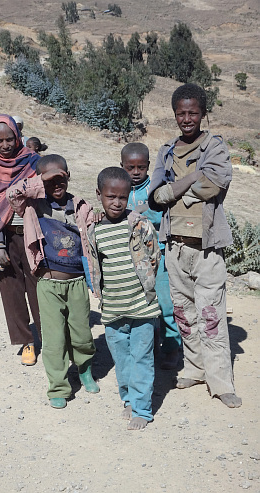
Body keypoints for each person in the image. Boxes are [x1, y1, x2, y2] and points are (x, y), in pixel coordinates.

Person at [148, 83, 242, 408]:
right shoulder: (166, 152)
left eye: (193, 112)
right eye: (181, 113)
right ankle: (195, 369)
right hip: (174, 248)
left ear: (203, 113)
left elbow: (215, 183)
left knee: (211, 315)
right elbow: (156, 196)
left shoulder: (215, 146)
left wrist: (176, 188)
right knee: (186, 316)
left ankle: (221, 382)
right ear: (175, 114)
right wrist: (190, 179)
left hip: (206, 250)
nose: (187, 118)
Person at [6, 154, 99, 409]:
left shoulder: (80, 206)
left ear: (68, 176)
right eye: (50, 179)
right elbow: (11, 195)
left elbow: (92, 231)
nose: (56, 183)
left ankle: (84, 369)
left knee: (81, 333)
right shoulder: (32, 205)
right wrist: (41, 181)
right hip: (47, 284)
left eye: (61, 177)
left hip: (77, 283)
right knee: (54, 338)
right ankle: (58, 386)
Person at [86, 167, 161, 430]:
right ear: (99, 195)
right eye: (110, 197)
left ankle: (142, 409)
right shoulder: (94, 231)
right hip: (113, 309)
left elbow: (154, 257)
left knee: (142, 357)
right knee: (123, 359)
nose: (117, 202)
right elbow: (94, 265)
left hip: (142, 306)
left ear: (129, 195)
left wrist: (147, 288)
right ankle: (128, 399)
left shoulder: (140, 225)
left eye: (123, 197)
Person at [0, 114, 41, 366]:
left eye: (9, 138)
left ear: (18, 136)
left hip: (34, 237)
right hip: (5, 240)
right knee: (11, 291)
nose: (5, 145)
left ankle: (50, 336)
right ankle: (27, 342)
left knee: (40, 289)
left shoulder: (33, 161)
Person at [120, 143, 181, 370]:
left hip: (159, 256)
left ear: (148, 167)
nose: (136, 172)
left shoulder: (153, 188)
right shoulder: (119, 188)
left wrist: (138, 212)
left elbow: (158, 213)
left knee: (165, 302)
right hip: (131, 258)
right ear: (122, 166)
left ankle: (172, 346)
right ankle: (149, 345)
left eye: (141, 167)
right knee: (141, 303)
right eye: (130, 167)